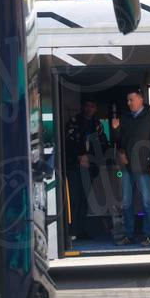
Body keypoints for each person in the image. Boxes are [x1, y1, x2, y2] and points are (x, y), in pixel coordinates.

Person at [111, 89, 150, 246]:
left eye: (131, 100)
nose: (129, 103)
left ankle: (148, 235)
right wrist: (115, 130)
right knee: (127, 203)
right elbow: (117, 141)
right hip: (127, 166)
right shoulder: (125, 118)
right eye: (127, 100)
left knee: (147, 202)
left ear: (141, 99)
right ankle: (129, 234)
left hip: (145, 166)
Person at [63, 99, 108, 239]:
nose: (89, 108)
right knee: (74, 199)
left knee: (84, 199)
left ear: (95, 109)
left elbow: (104, 144)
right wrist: (79, 157)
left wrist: (91, 158)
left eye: (92, 106)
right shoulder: (74, 121)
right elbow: (67, 142)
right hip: (74, 166)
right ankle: (71, 231)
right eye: (87, 106)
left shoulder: (97, 125)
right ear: (83, 107)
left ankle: (80, 230)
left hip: (90, 168)